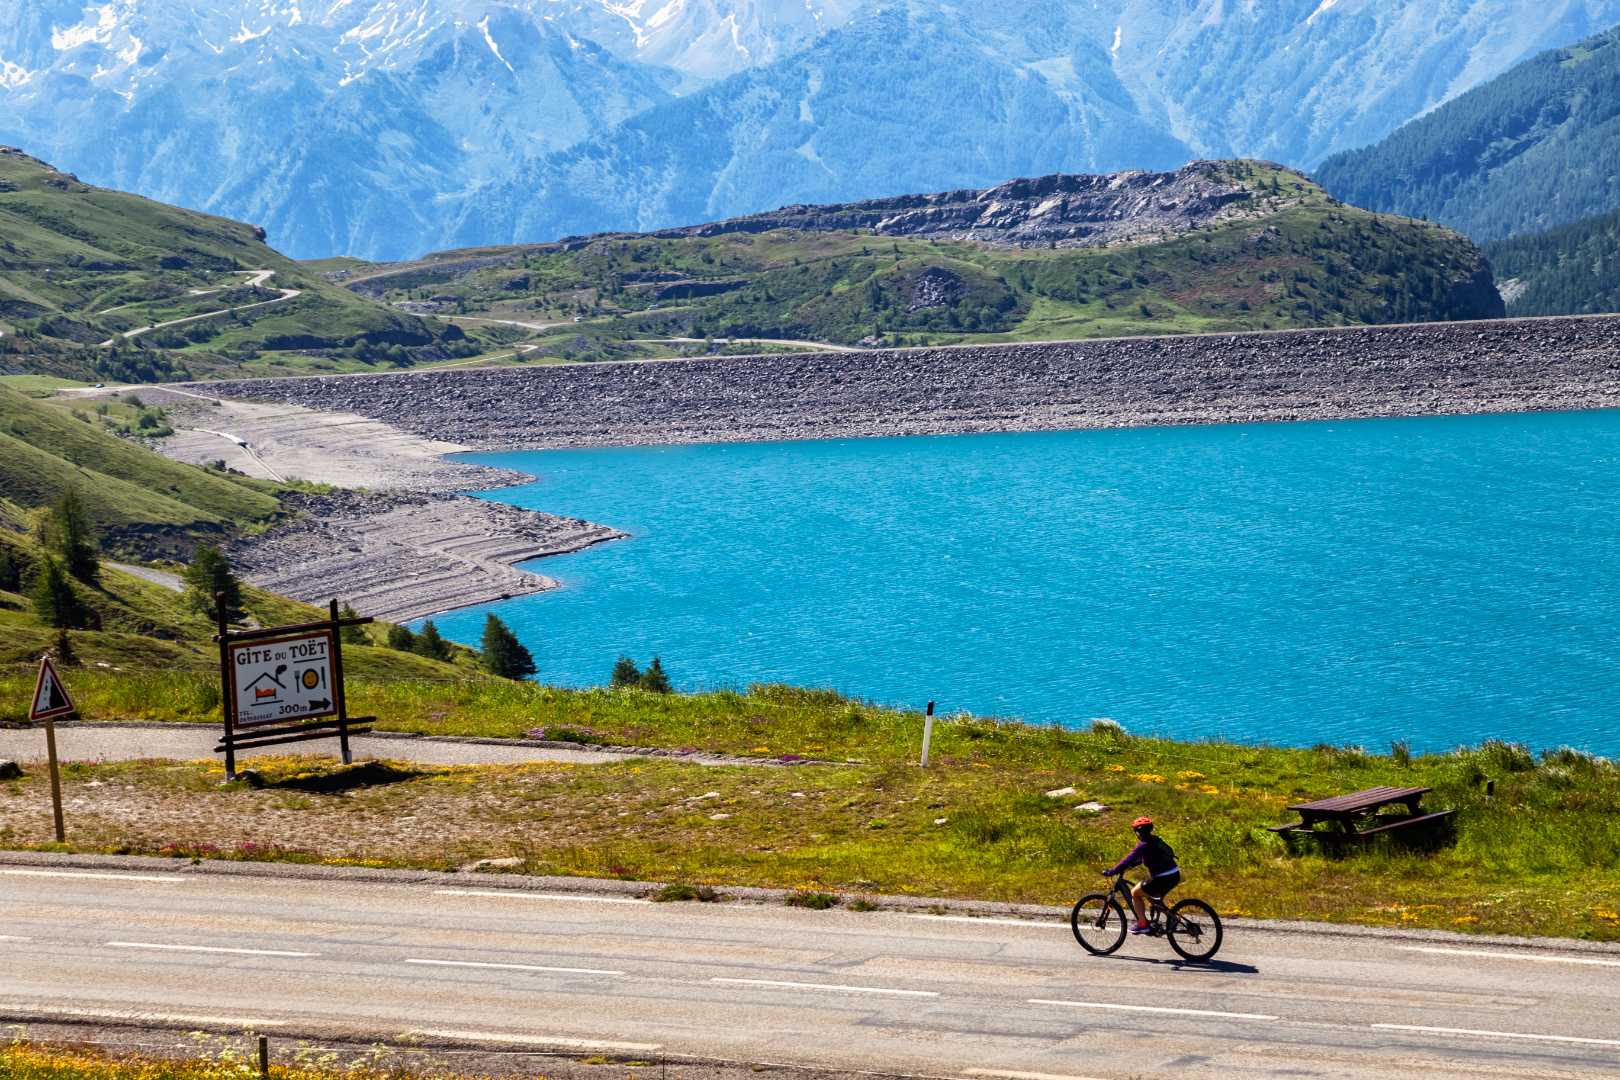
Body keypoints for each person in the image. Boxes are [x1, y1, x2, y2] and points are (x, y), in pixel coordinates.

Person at [1103, 816, 1181, 934]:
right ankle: (1173, 919)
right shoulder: (1155, 840)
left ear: (1137, 832)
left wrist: (1112, 871)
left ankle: (1143, 924)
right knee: (1152, 897)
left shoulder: (1143, 845)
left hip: (1162, 877)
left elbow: (1127, 860)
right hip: (1174, 875)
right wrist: (1131, 866)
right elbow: (1145, 857)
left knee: (1135, 893)